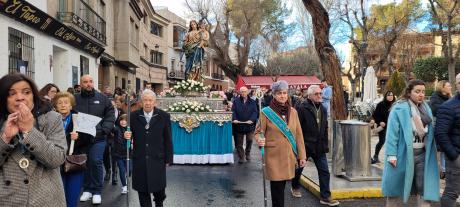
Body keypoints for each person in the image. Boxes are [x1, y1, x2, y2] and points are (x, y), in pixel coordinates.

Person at [0, 73, 67, 206]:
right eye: (11, 93)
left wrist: (29, 131)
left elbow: (57, 158)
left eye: (26, 92)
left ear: (34, 96)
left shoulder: (51, 118)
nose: (20, 98)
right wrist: (5, 138)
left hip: (45, 198)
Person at [382, 79, 439, 206]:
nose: (421, 95)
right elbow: (392, 134)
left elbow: (429, 132)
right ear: (409, 93)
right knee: (394, 189)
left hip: (423, 154)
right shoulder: (398, 108)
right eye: (417, 91)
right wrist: (391, 154)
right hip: (402, 154)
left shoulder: (426, 108)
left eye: (423, 92)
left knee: (424, 189)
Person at [255, 80, 306, 207]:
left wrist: (302, 156)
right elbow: (258, 132)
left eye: (284, 93)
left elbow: (299, 135)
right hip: (274, 157)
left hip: (289, 156)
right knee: (277, 191)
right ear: (274, 94)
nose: (282, 96)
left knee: (283, 187)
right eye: (279, 93)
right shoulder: (266, 112)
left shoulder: (293, 112)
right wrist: (259, 138)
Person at [292, 85, 340, 206]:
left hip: (319, 147)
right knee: (298, 169)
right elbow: (297, 129)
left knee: (324, 171)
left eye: (320, 93)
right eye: (317, 94)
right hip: (305, 146)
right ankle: (295, 186)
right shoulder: (302, 108)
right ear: (310, 95)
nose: (320, 96)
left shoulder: (323, 108)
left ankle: (325, 196)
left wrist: (325, 144)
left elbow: (325, 127)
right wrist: (299, 146)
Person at [124, 89, 173, 207]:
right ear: (141, 102)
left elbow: (168, 139)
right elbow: (128, 136)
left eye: (150, 100)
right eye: (145, 100)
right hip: (140, 158)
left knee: (159, 191)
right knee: (142, 190)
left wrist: (168, 158)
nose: (148, 103)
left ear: (155, 102)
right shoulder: (133, 116)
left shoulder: (164, 116)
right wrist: (127, 135)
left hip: (157, 158)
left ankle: (159, 202)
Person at [76, 75, 115, 205]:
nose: (88, 84)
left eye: (90, 81)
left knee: (96, 161)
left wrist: (104, 130)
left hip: (99, 138)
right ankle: (87, 190)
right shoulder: (75, 99)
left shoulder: (103, 98)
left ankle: (97, 191)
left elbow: (110, 115)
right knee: (85, 162)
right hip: (81, 138)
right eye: (85, 82)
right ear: (80, 84)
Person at [53, 92, 91, 207]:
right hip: (55, 164)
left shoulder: (80, 119)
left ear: (71, 105)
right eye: (59, 103)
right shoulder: (50, 119)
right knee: (58, 198)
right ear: (55, 106)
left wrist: (78, 138)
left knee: (72, 198)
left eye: (66, 103)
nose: (63, 105)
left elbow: (90, 138)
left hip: (75, 163)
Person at [435, 74, 460, 206]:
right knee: (452, 192)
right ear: (457, 85)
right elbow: (440, 133)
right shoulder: (448, 106)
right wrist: (454, 156)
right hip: (456, 156)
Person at [429, 80, 452, 179]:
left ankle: (445, 169)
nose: (450, 87)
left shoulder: (450, 97)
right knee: (441, 148)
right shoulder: (435, 97)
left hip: (449, 124)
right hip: (438, 124)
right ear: (442, 87)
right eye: (448, 86)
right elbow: (434, 110)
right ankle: (443, 170)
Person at [232, 87, 258, 163]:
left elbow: (255, 112)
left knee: (249, 140)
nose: (243, 93)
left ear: (247, 92)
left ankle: (248, 153)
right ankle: (241, 156)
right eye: (242, 92)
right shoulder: (236, 101)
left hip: (249, 125)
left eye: (245, 91)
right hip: (239, 125)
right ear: (240, 92)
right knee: (239, 143)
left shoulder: (253, 102)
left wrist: (252, 120)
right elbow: (233, 111)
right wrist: (234, 119)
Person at [371, 91, 395, 164]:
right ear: (385, 96)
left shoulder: (395, 105)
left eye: (392, 95)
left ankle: (392, 157)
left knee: (392, 142)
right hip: (383, 126)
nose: (390, 97)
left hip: (392, 126)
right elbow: (375, 115)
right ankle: (375, 156)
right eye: (389, 95)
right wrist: (380, 122)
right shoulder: (380, 104)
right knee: (382, 141)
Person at [113, 114, 131, 194]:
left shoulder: (131, 129)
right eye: (122, 120)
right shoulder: (117, 129)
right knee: (122, 170)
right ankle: (124, 186)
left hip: (129, 154)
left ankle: (127, 178)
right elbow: (111, 129)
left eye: (125, 120)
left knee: (129, 169)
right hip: (119, 154)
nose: (123, 122)